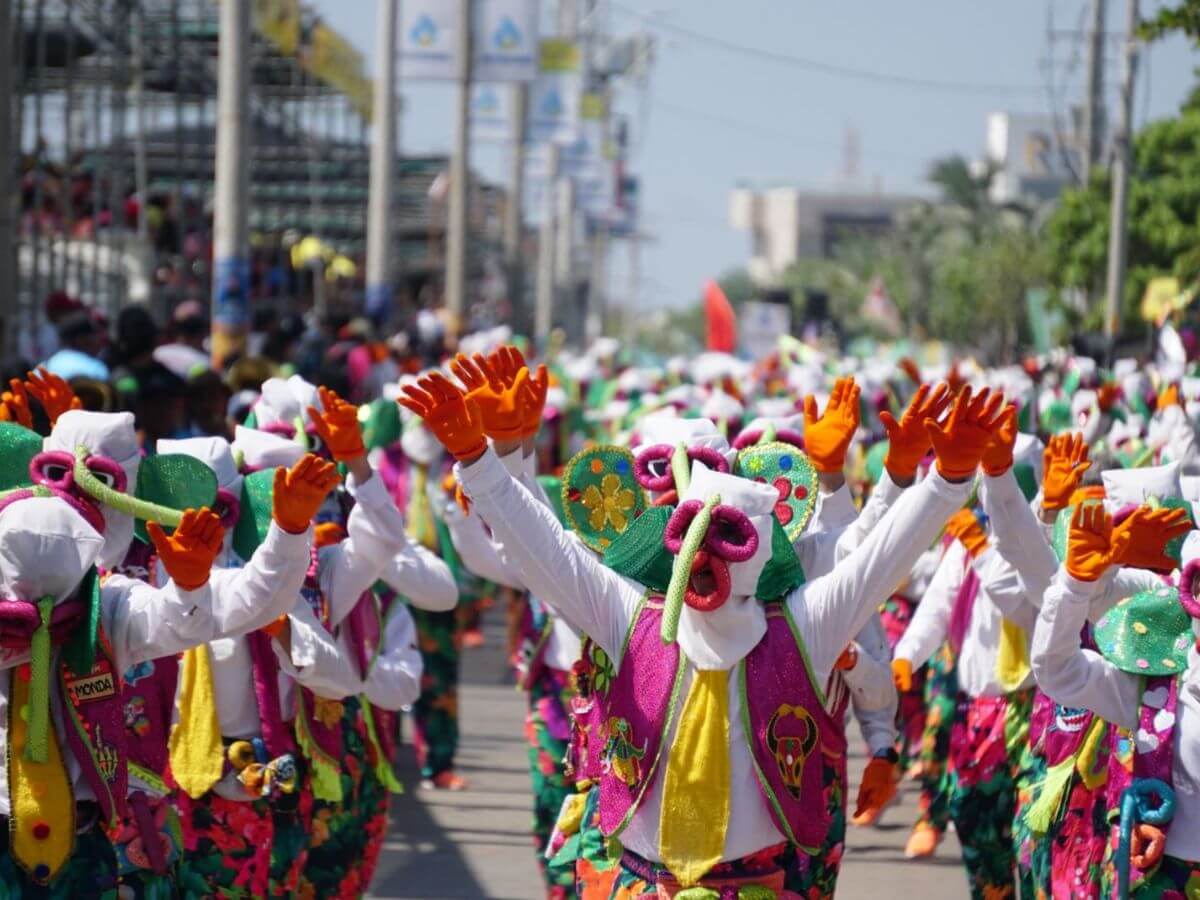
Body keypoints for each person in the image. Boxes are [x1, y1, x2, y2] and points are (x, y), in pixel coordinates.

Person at [402, 364, 1003, 896]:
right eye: (694, 536)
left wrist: (945, 480)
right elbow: (544, 550)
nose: (706, 558)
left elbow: (874, 559)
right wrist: (484, 459)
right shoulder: (625, 612)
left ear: (764, 554)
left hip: (761, 883)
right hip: (638, 881)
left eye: (729, 540)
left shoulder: (804, 624)